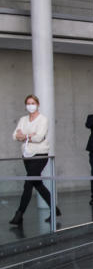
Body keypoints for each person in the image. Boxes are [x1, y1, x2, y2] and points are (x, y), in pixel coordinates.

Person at [9, 94, 59, 226]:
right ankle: (55, 210)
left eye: (33, 103)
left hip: (40, 154)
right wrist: (29, 136)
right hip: (27, 155)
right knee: (37, 184)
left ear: (37, 104)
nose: (30, 105)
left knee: (28, 183)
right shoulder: (23, 119)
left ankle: (19, 214)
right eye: (28, 103)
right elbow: (15, 136)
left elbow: (39, 138)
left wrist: (24, 136)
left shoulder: (43, 119)